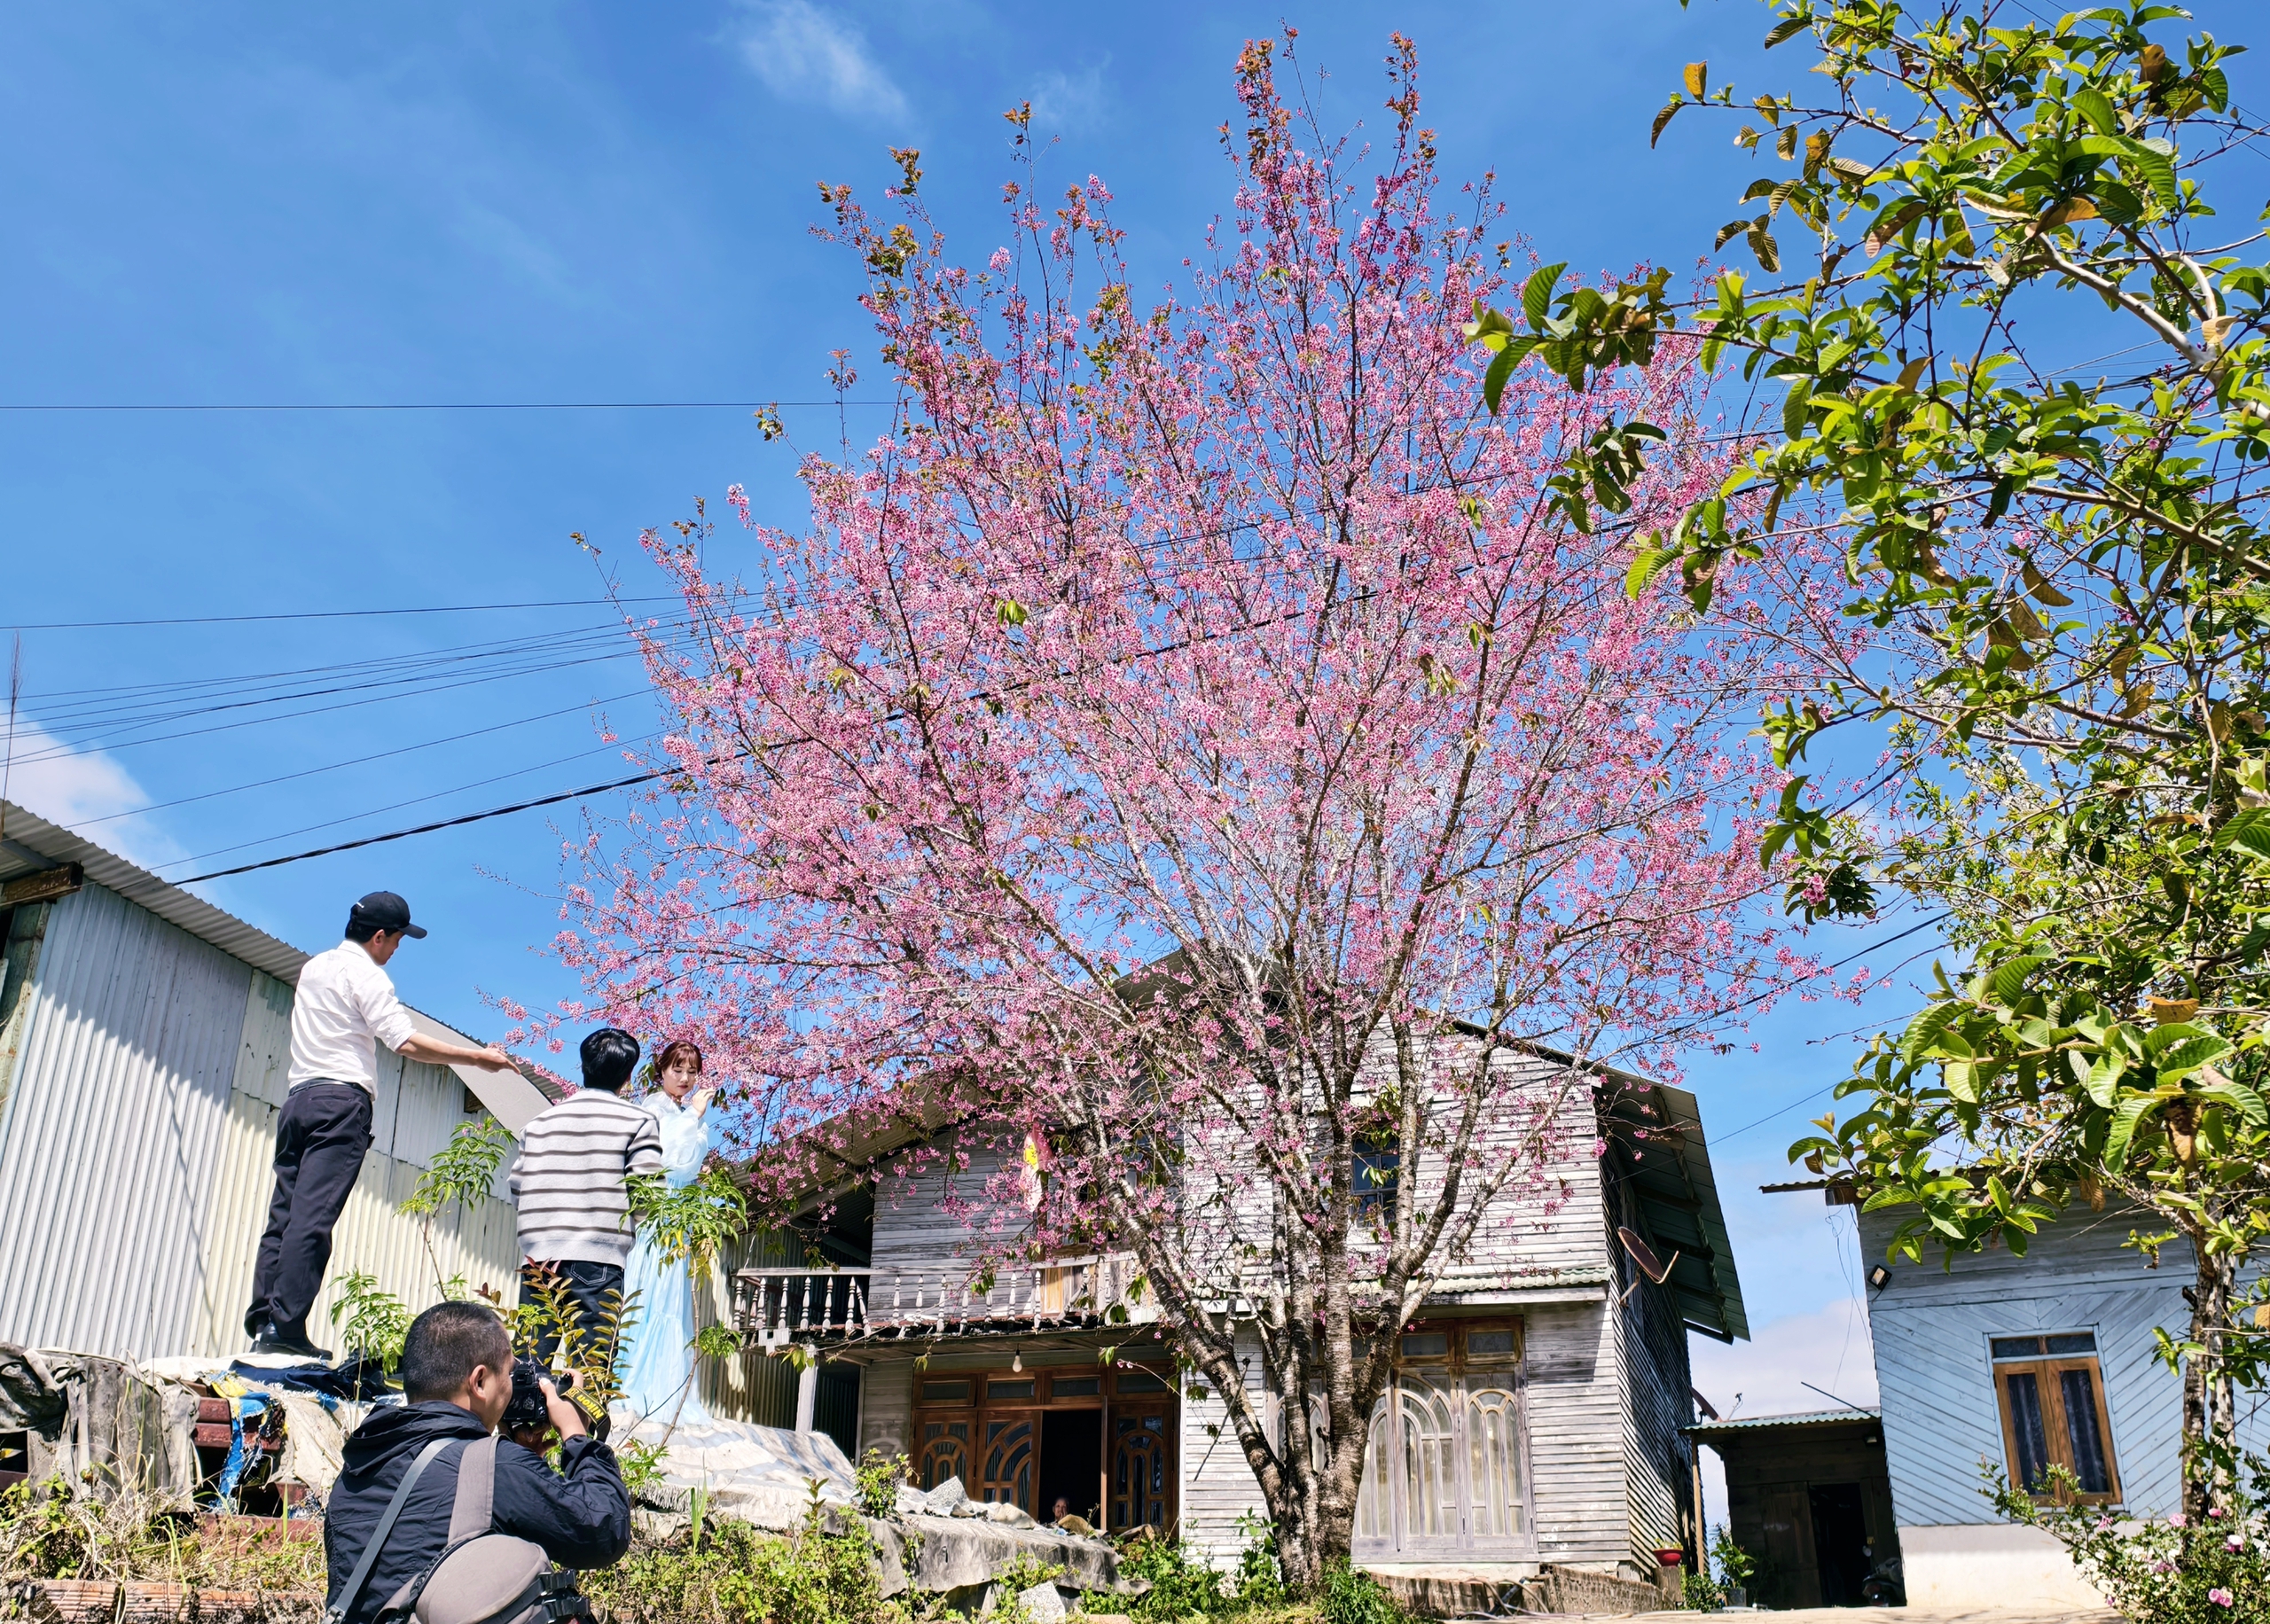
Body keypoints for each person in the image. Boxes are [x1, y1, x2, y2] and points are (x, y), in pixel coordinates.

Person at [247, 891, 513, 1361]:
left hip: (298, 1098)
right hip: (340, 1102)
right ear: (379, 936)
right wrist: (478, 1059)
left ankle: (264, 1320)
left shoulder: (316, 967)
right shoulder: (367, 975)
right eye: (397, 940)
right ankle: (286, 1329)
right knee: (313, 1219)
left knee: (284, 1214)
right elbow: (404, 1041)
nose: (396, 950)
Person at [325, 1301, 630, 1624]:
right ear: (480, 1382)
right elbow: (604, 1531)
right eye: (510, 1372)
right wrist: (575, 1435)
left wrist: (522, 1465)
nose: (512, 1386)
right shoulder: (496, 1469)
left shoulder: (356, 1470)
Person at [512, 1028, 663, 1370]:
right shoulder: (638, 1120)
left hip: (539, 1258)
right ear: (628, 1076)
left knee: (528, 1368)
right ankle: (578, 1426)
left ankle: (518, 1425)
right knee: (591, 1372)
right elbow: (648, 1193)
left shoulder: (539, 1123)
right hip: (598, 1258)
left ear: (582, 1066)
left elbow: (518, 1188)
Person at [618, 1040, 716, 1423]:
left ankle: (664, 1388)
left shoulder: (680, 1111)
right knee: (648, 1293)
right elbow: (669, 1159)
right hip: (656, 1210)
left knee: (671, 1299)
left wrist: (692, 1118)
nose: (685, 1078)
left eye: (692, 1072)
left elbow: (689, 1166)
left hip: (677, 1214)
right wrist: (692, 1117)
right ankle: (632, 1384)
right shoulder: (654, 1108)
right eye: (677, 1070)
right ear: (661, 1071)